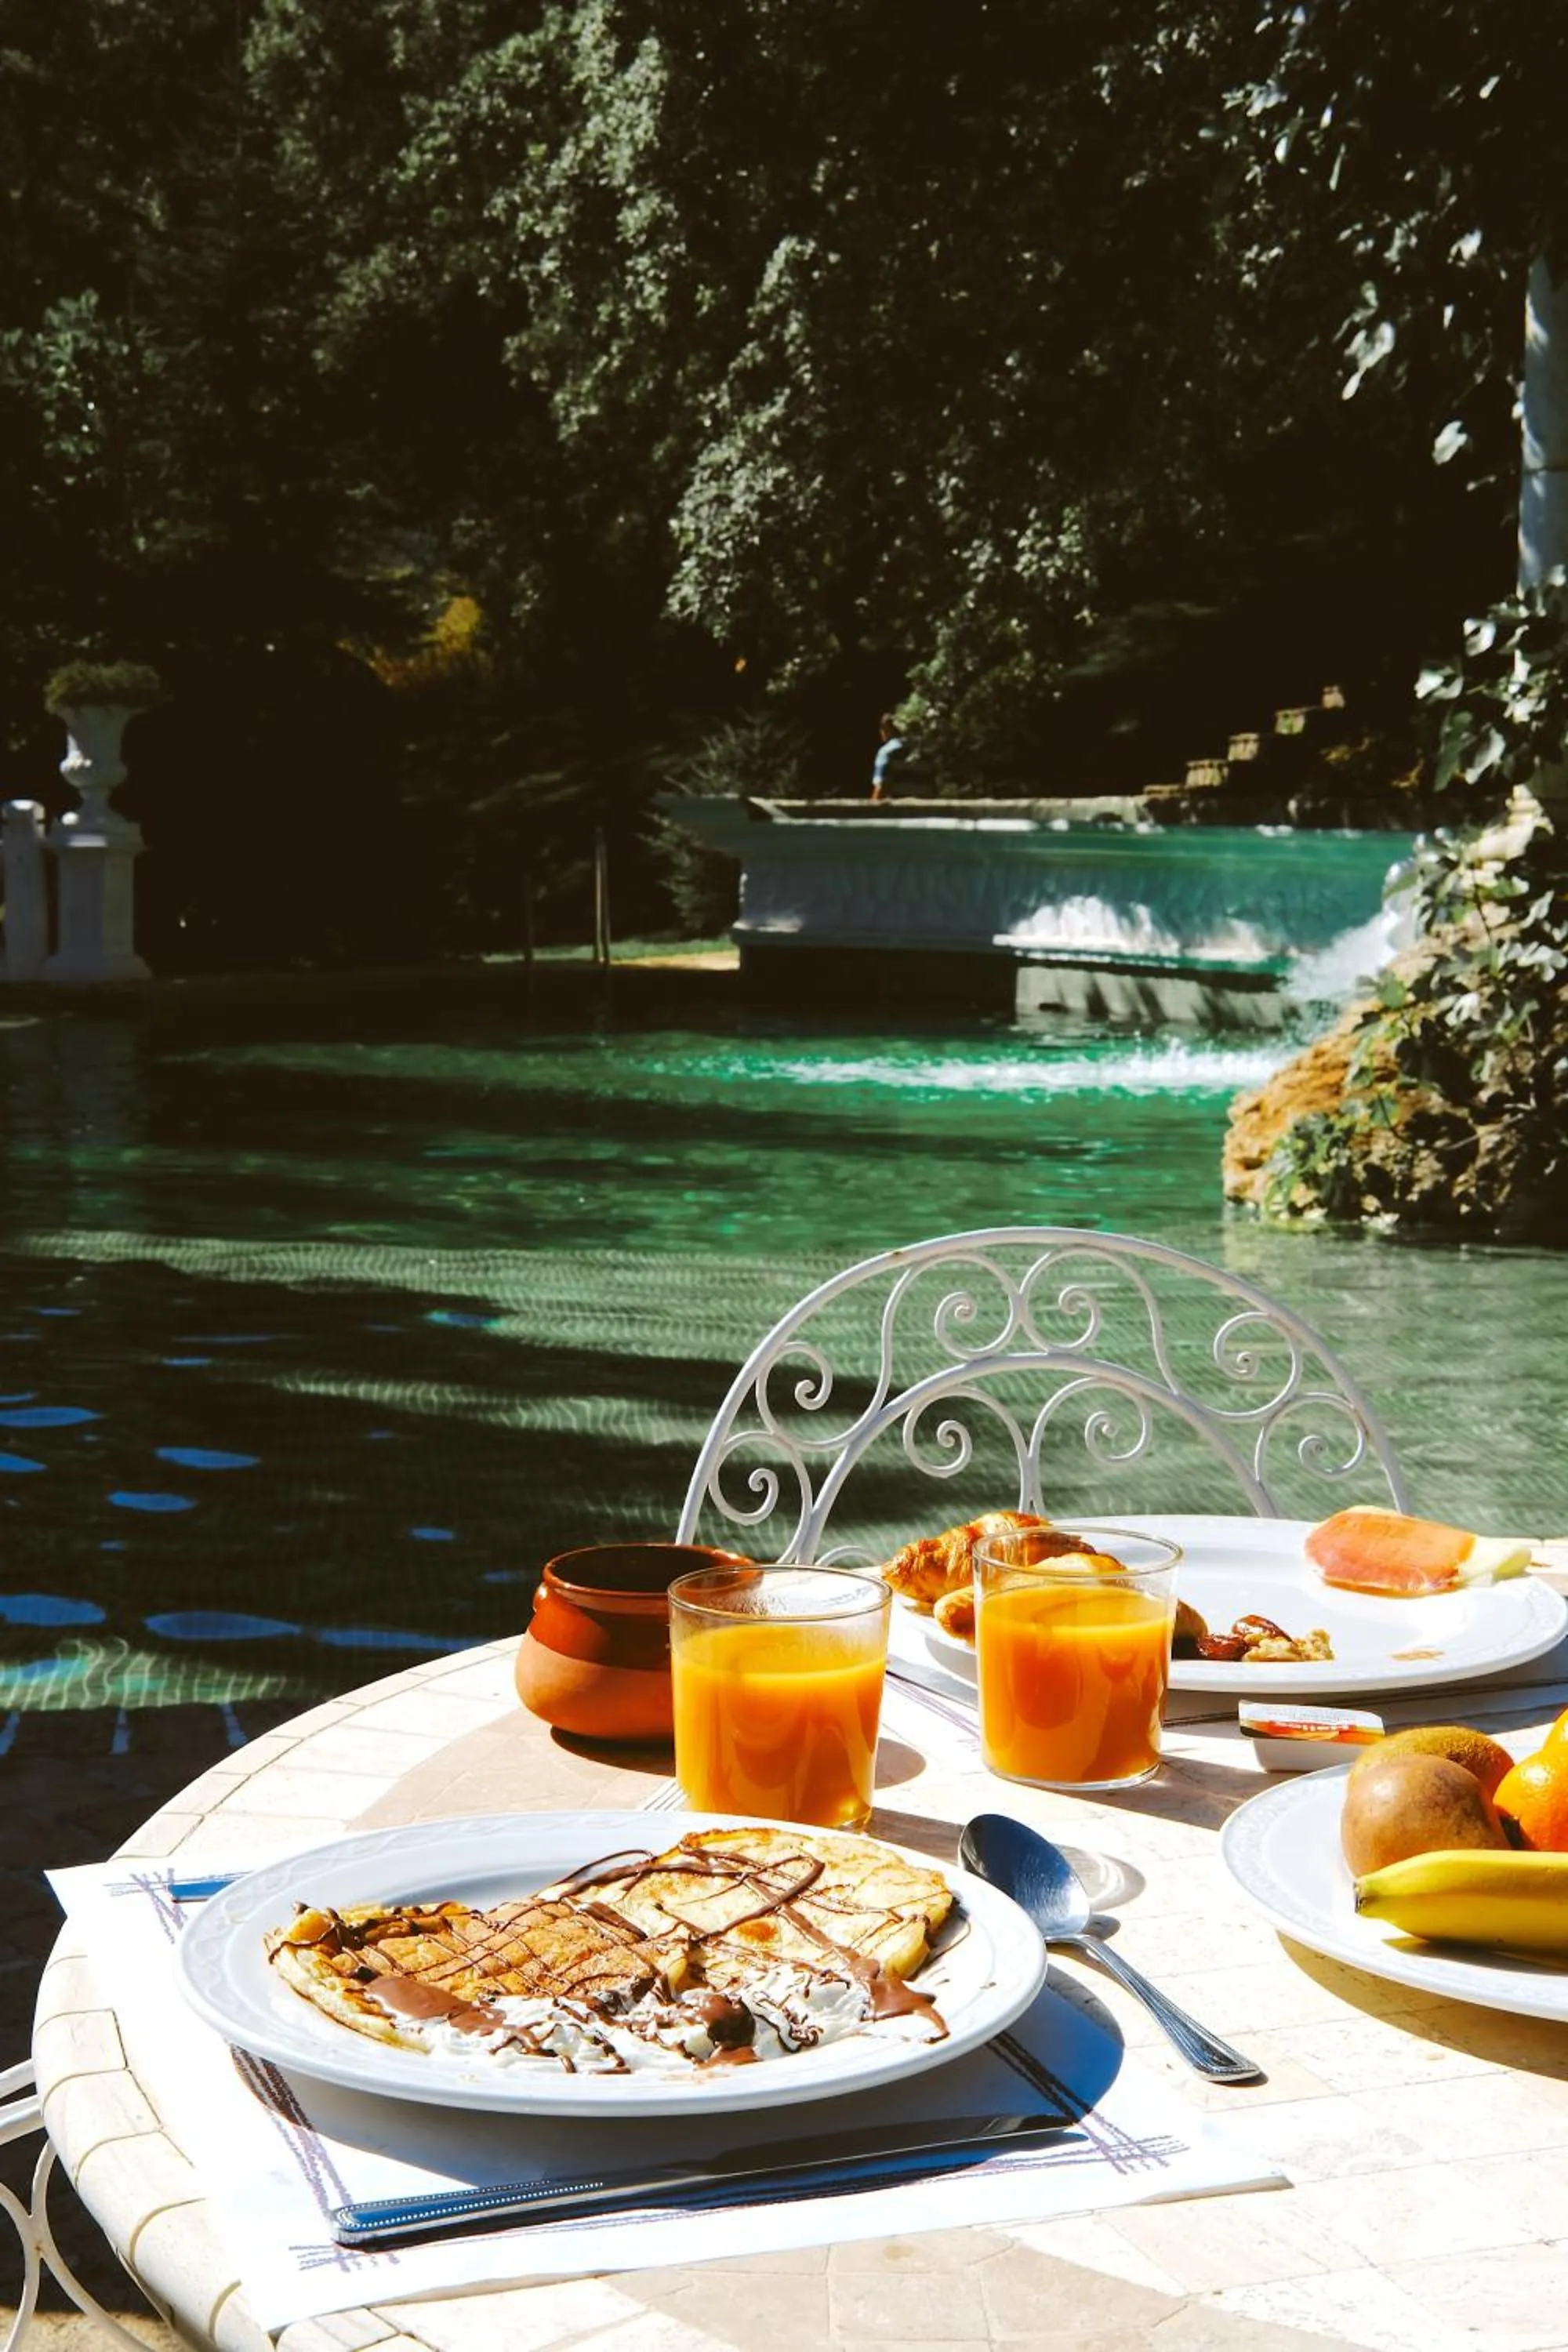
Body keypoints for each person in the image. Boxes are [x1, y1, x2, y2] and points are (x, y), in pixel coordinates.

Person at [870, 712, 906, 801]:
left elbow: (880, 785)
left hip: (898, 811)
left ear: (886, 728)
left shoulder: (886, 752)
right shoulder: (923, 752)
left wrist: (871, 809)